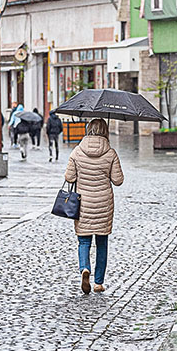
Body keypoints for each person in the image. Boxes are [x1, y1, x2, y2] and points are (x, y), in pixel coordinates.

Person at [63, 118, 124, 294]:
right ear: (105, 130)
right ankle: (98, 282)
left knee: (83, 240)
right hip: (104, 204)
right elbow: (118, 180)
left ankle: (84, 268)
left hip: (84, 204)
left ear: (88, 129)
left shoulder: (77, 152)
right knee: (102, 242)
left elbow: (69, 177)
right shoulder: (110, 153)